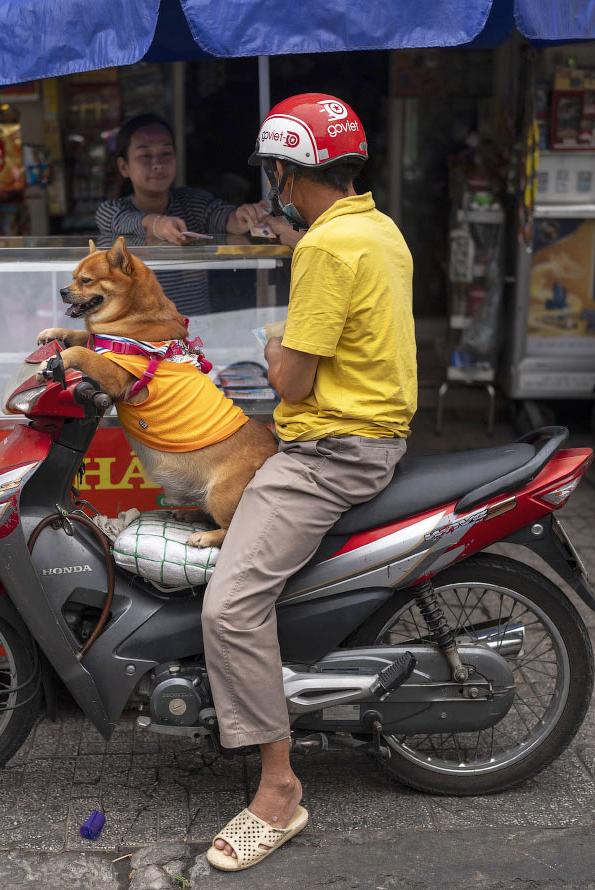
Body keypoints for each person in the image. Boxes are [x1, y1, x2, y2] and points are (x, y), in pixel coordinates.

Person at [201, 94, 417, 872]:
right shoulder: (375, 229)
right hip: (370, 435)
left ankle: (278, 786)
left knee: (229, 605)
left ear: (288, 174)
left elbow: (291, 384)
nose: (274, 187)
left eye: (275, 174)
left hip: (330, 452)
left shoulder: (324, 251)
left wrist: (269, 346)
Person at [95, 113, 279, 316]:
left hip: (194, 331)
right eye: (145, 155)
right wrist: (157, 224)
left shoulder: (193, 202)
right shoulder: (111, 211)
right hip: (141, 333)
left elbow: (223, 217)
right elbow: (125, 221)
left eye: (166, 153)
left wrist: (243, 216)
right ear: (124, 166)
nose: (157, 163)